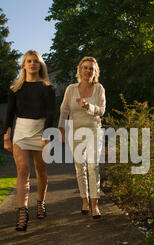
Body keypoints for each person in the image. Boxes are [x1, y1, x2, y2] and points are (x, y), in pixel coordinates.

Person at [4, 50, 56, 231]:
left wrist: (46, 136)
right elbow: (9, 114)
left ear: (40, 65)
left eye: (35, 61)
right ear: (23, 65)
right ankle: (22, 212)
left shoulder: (48, 88)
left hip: (41, 131)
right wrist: (6, 137)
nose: (32, 64)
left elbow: (51, 113)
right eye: (29, 61)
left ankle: (41, 202)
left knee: (40, 171)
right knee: (23, 171)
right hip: (22, 132)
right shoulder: (15, 89)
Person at [58, 56, 106, 219]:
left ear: (95, 72)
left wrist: (88, 106)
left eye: (91, 68)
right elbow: (64, 110)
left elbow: (102, 110)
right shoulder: (71, 89)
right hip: (75, 132)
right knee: (80, 168)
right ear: (80, 70)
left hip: (94, 130)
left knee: (93, 167)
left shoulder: (99, 89)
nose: (88, 70)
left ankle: (95, 205)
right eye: (85, 67)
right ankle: (84, 200)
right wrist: (61, 129)